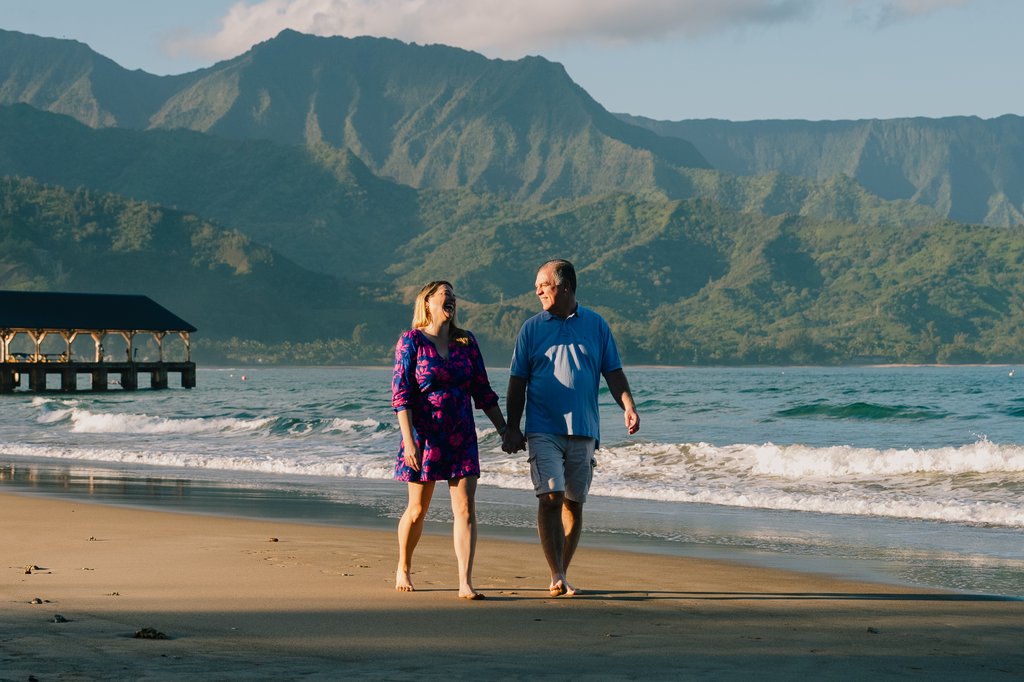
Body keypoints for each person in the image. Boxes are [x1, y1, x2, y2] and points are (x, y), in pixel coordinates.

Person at [501, 259, 640, 597]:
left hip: (584, 429)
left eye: (542, 285)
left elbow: (613, 372)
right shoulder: (532, 329)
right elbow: (517, 382)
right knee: (550, 495)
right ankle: (556, 574)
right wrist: (512, 428)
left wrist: (629, 406)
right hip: (543, 428)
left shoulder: (596, 325)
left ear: (563, 287)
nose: (537, 291)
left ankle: (562, 571)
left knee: (574, 503)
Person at [391, 280, 508, 599]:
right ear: (427, 303)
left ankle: (465, 581)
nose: (452, 301)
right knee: (417, 509)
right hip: (424, 435)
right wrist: (409, 440)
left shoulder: (466, 342)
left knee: (466, 509)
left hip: (461, 435)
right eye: (445, 296)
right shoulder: (412, 340)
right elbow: (401, 395)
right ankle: (403, 564)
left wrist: (503, 428)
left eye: (454, 297)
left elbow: (483, 391)